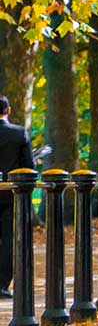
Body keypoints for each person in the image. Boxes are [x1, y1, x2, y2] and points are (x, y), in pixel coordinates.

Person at [0, 96, 35, 299]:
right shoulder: (19, 133)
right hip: (11, 194)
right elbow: (29, 166)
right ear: (9, 110)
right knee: (9, 239)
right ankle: (3, 284)